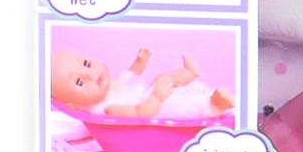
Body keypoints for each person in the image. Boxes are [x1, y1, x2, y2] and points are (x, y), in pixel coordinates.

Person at [51, 48, 233, 119]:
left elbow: (130, 75)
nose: (91, 74)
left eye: (86, 64)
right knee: (181, 106)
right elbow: (140, 113)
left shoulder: (112, 86)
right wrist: (157, 97)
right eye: (80, 82)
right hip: (157, 109)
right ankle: (216, 105)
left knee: (161, 78)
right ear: (74, 105)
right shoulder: (108, 109)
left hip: (150, 97)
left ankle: (189, 73)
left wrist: (139, 62)